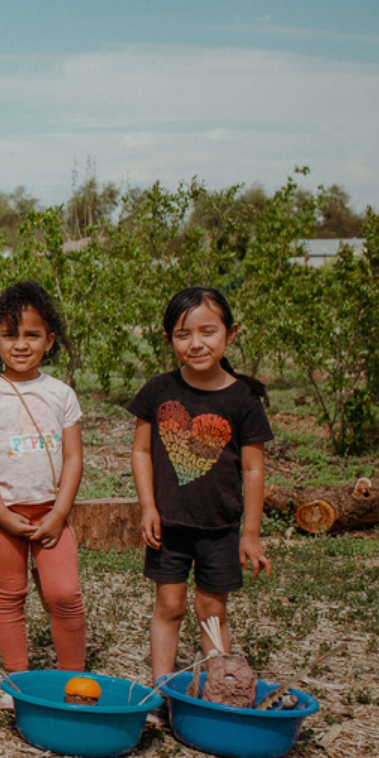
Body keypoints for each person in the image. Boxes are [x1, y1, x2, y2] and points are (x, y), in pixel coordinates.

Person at [131, 286, 273, 682]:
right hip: (169, 528)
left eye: (208, 331)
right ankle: (161, 690)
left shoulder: (244, 399)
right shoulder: (158, 391)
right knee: (169, 607)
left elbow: (254, 471)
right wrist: (148, 507)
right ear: (169, 339)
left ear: (231, 333)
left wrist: (250, 534)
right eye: (183, 334)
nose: (196, 343)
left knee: (212, 610)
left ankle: (218, 691)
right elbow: (141, 451)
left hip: (221, 529)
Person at [0, 282, 86, 674]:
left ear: (49, 341)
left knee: (64, 594)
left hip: (51, 512)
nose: (20, 344)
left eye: (32, 335)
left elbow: (74, 457)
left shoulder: (61, 394)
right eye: (10, 335)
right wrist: (0, 513)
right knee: (10, 594)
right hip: (3, 515)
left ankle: (73, 681)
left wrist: (59, 513)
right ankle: (18, 680)